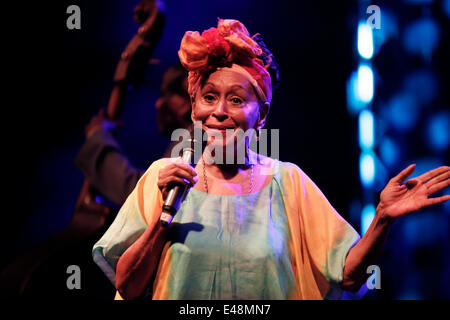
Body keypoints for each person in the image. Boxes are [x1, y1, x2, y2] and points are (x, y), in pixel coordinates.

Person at [92, 19, 450, 300]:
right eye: (209, 97)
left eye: (235, 100)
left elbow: (349, 274)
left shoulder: (288, 182)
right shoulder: (165, 177)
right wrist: (164, 217)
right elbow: (128, 285)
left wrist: (383, 219)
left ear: (260, 115)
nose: (219, 111)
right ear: (195, 108)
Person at [75, 63, 191, 207]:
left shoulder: (195, 138)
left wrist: (96, 136)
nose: (158, 103)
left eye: (166, 94)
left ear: (187, 98)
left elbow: (145, 194)